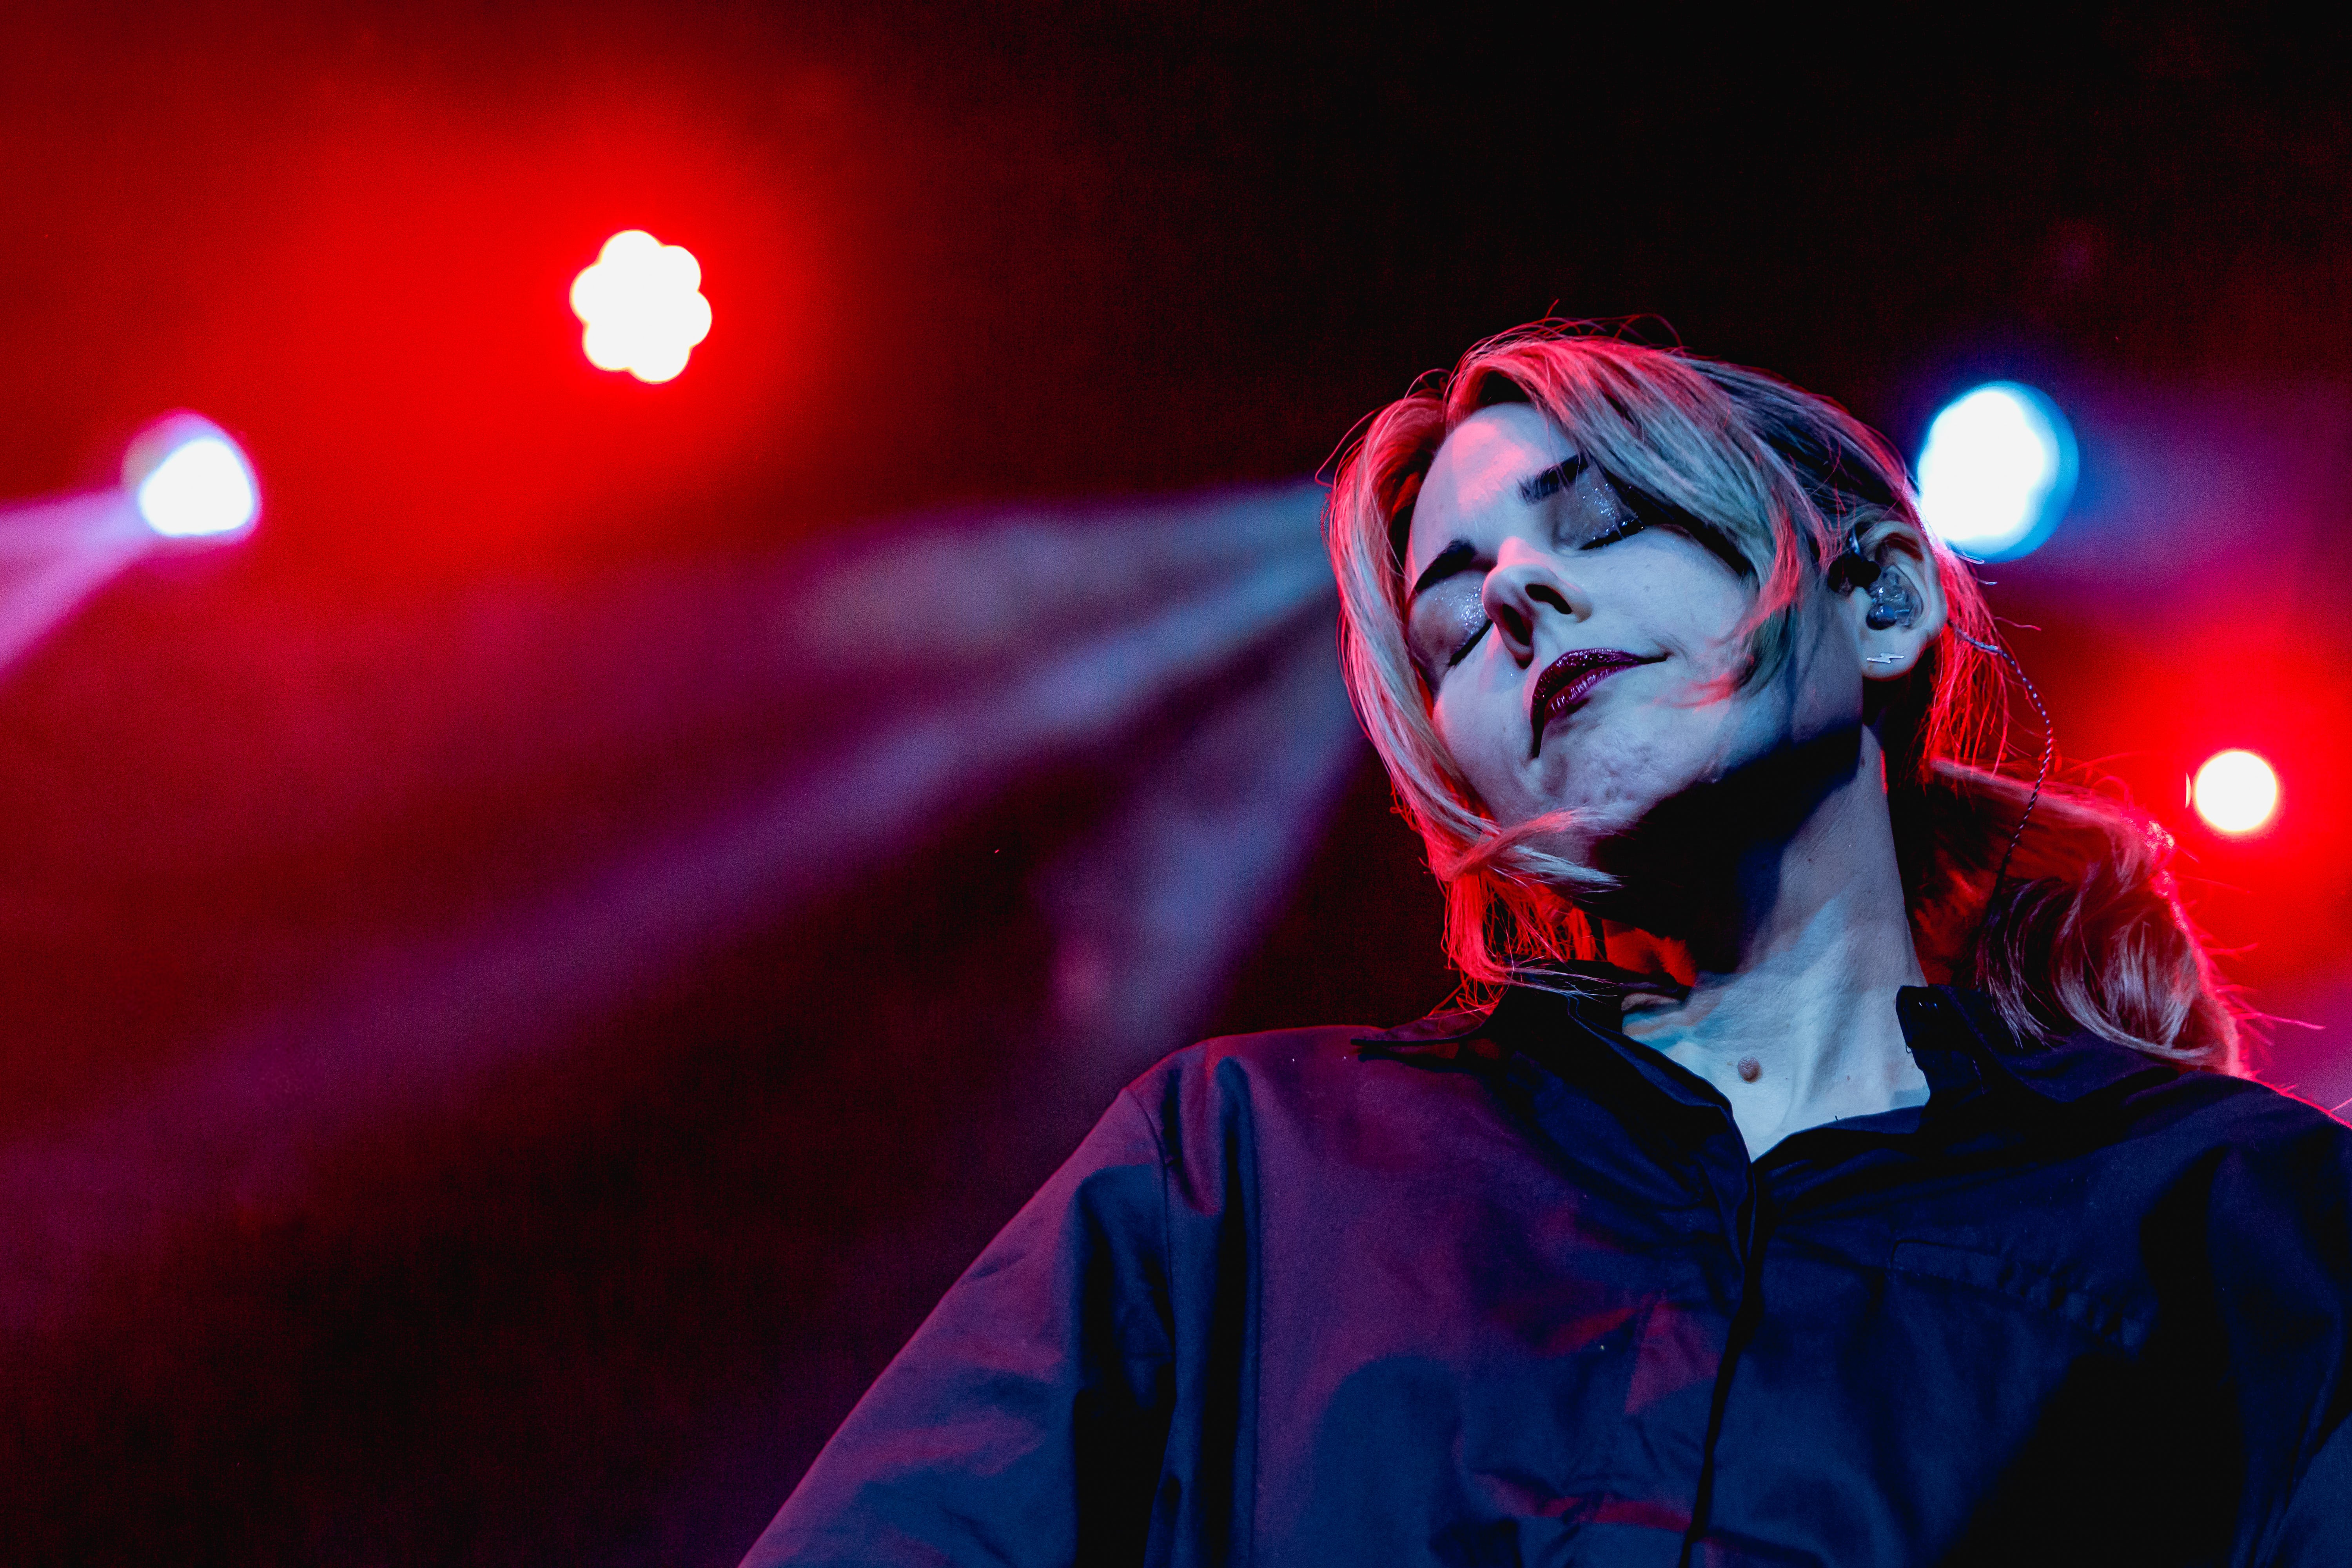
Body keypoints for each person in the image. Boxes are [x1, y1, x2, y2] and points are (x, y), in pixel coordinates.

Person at [742, 327, 2351, 1565]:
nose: (1516, 586)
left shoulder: (2241, 1221)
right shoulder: (1246, 1167)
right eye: (1452, 623)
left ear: (1877, 596)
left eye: (1610, 519)